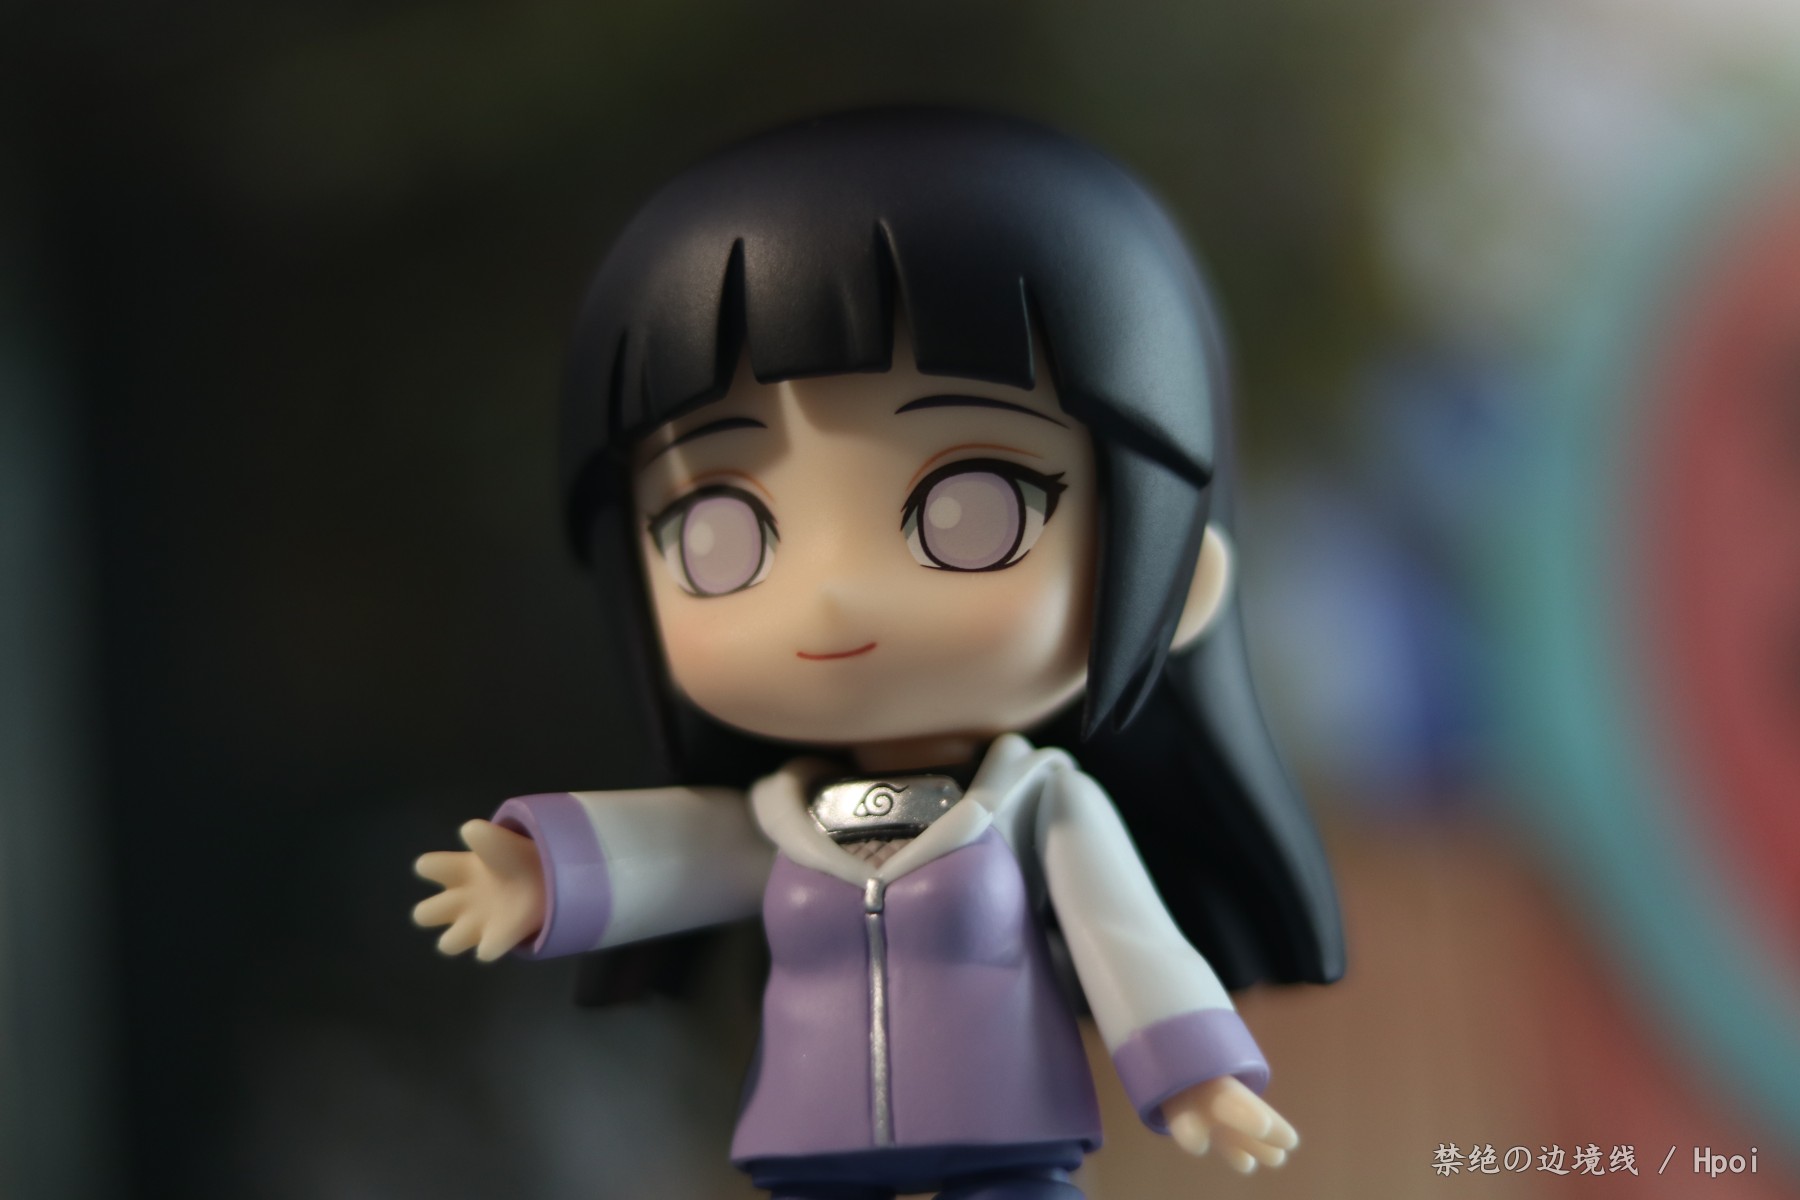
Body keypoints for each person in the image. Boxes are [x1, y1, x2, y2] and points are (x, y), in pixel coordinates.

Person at [414, 107, 1344, 1200]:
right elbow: (672, 853)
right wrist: (539, 874)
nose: (830, 592)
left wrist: (1195, 1076)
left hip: (1008, 1138)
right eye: (718, 530)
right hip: (811, 1146)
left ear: (1177, 576)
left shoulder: (1040, 806)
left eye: (972, 508)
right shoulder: (778, 821)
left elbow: (1125, 938)